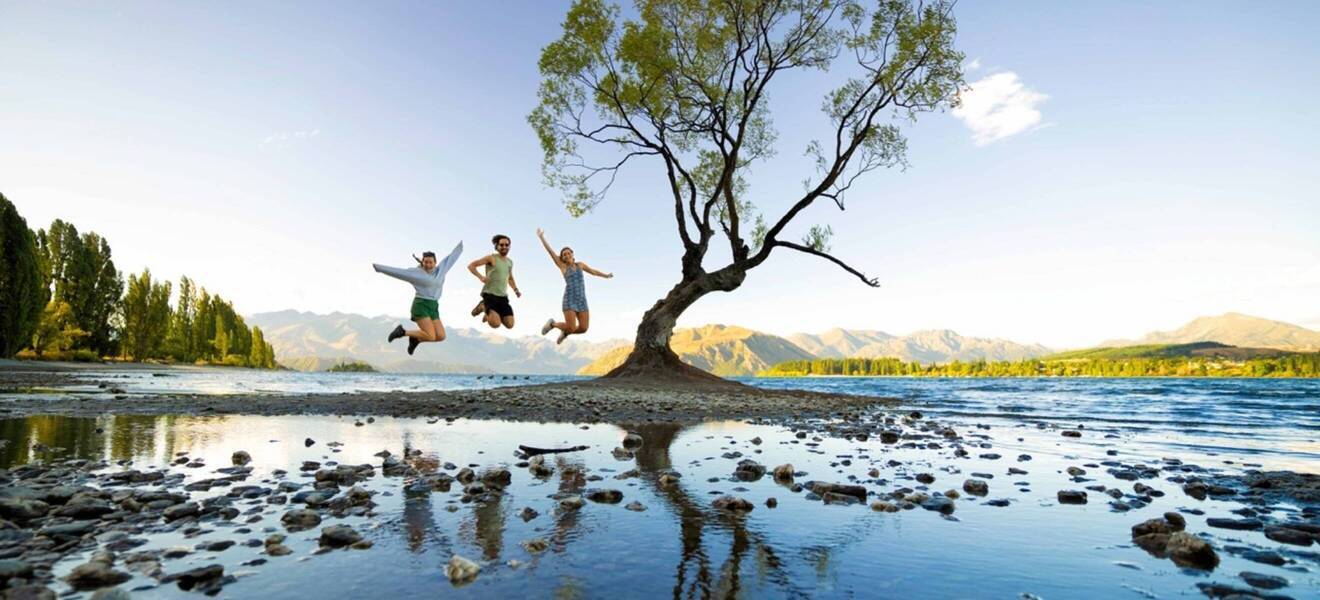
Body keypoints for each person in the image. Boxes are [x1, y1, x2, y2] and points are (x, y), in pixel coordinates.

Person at [373, 241, 463, 355]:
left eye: (431, 262)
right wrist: (379, 268)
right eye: (426, 262)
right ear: (423, 262)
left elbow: (452, 258)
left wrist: (461, 246)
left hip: (434, 306)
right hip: (421, 305)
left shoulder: (441, 270)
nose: (428, 265)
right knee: (430, 336)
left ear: (435, 262)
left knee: (441, 336)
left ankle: (416, 339)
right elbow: (398, 272)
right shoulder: (416, 274)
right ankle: (402, 332)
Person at [535, 228, 613, 344]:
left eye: (568, 253)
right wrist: (542, 238)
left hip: (582, 300)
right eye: (564, 255)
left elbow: (593, 271)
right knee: (571, 326)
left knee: (583, 328)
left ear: (572, 254)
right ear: (562, 258)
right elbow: (550, 252)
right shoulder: (563, 267)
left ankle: (565, 333)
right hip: (570, 299)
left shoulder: (580, 265)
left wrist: (606, 276)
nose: (566, 255)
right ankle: (553, 324)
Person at [468, 234, 520, 329]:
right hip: (490, 295)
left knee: (510, 325)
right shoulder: (491, 258)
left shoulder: (510, 262)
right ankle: (483, 306)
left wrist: (516, 290)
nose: (504, 247)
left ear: (509, 246)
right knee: (496, 324)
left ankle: (491, 314)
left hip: (503, 297)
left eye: (506, 245)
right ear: (497, 246)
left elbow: (510, 278)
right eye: (501, 245)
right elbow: (471, 266)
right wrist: (481, 277)